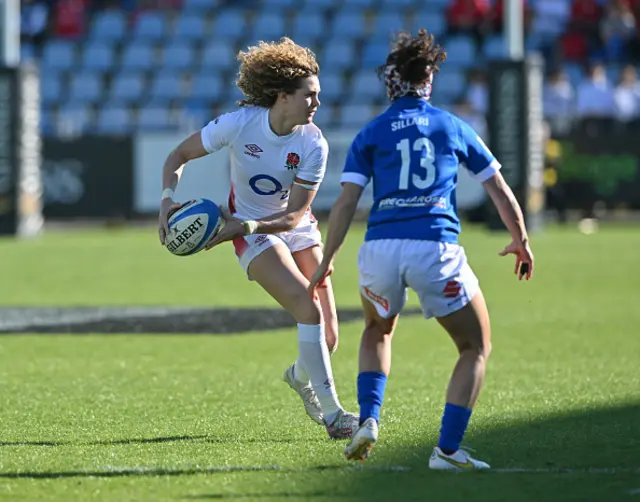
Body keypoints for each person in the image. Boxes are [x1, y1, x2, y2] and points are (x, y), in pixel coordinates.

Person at [308, 29, 535, 469]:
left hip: (380, 249)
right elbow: (499, 189)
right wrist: (520, 240)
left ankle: (369, 420)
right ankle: (447, 452)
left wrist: (328, 257)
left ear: (390, 83)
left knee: (377, 330)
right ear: (428, 81)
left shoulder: (371, 132)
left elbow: (347, 202)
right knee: (474, 347)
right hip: (434, 247)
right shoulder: (452, 126)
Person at [158, 37, 358, 440]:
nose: (317, 103)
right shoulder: (240, 123)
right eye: (310, 95)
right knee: (307, 306)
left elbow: (294, 215)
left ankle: (299, 378)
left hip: (287, 227)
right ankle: (335, 415)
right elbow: (177, 156)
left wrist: (243, 227)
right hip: (250, 232)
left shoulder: (313, 143)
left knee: (328, 338)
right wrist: (167, 202)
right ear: (283, 96)